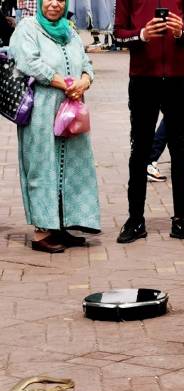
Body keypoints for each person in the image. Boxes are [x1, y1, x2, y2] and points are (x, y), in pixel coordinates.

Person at [10, 0, 101, 253]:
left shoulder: (69, 30)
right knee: (42, 166)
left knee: (72, 163)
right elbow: (28, 62)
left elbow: (86, 63)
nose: (54, 4)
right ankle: (42, 232)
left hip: (71, 110)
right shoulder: (27, 27)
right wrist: (63, 82)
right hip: (41, 110)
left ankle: (62, 225)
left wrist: (84, 80)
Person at [114, 0, 184, 243]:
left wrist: (181, 33)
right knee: (140, 150)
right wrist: (142, 34)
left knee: (181, 149)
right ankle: (135, 219)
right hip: (143, 79)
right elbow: (118, 34)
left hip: (179, 79)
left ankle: (181, 219)